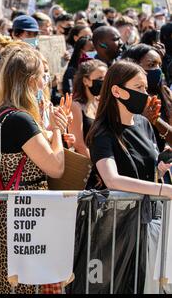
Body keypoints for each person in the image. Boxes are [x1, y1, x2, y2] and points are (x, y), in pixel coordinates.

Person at [0, 46, 68, 294]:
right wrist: (56, 131)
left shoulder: (3, 113)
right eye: (44, 75)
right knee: (22, 286)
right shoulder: (20, 119)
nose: (47, 81)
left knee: (12, 284)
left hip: (16, 213)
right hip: (23, 217)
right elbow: (56, 167)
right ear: (32, 81)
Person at [86, 60, 172, 196]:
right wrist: (164, 190)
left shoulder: (144, 123)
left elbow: (148, 175)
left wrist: (160, 167)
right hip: (119, 216)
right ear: (116, 91)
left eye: (145, 88)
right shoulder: (101, 132)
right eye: (138, 87)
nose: (145, 94)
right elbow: (112, 180)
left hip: (147, 213)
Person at [122, 43, 172, 151]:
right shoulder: (124, 97)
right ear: (133, 66)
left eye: (159, 65)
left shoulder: (166, 93)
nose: (157, 69)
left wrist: (156, 120)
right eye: (151, 65)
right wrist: (142, 118)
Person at [69, 60, 108, 157]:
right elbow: (79, 144)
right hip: (89, 164)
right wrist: (97, 166)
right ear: (86, 81)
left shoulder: (99, 103)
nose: (103, 82)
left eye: (105, 79)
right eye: (100, 78)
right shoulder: (75, 106)